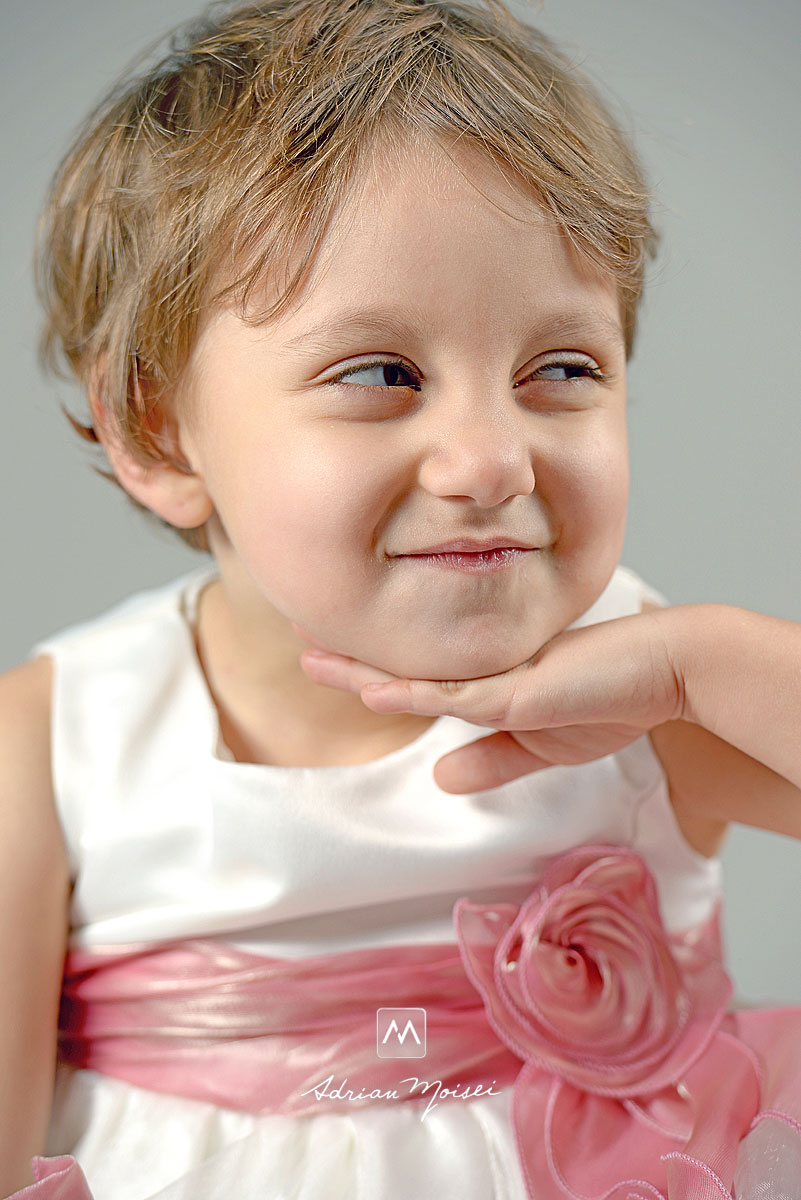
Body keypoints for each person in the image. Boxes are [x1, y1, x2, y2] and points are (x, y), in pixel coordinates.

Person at [1, 0, 799, 1196]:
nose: (490, 461)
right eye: (381, 373)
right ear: (158, 433)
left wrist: (710, 668)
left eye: (562, 369)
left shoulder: (656, 703)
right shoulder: (53, 752)